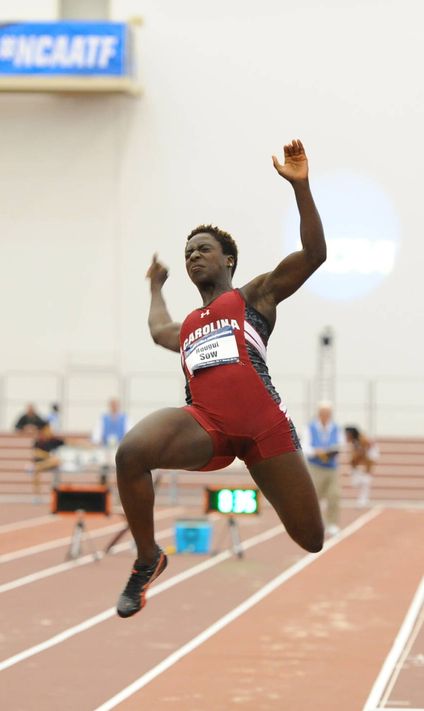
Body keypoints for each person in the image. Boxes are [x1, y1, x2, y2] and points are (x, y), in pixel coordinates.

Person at [113, 139, 327, 618]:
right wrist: (155, 286)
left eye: (203, 249)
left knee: (311, 538)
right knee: (130, 454)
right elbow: (158, 330)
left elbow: (315, 254)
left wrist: (301, 187)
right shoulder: (189, 325)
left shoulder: (254, 296)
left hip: (265, 429)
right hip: (206, 424)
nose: (193, 256)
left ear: (228, 259)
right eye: (188, 252)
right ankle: (148, 558)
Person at [306, 401, 342, 537]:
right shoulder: (310, 427)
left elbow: (341, 444)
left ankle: (332, 523)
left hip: (332, 467)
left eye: (328, 413)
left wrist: (332, 451)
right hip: (315, 467)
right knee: (315, 497)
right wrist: (317, 452)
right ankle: (314, 524)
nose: (326, 416)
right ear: (319, 413)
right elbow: (305, 447)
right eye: (324, 413)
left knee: (334, 495)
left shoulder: (336, 428)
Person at [345, 425, 378, 508]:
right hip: (362, 457)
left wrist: (366, 466)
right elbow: (354, 457)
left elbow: (368, 454)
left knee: (366, 480)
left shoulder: (363, 439)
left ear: (351, 434)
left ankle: (363, 500)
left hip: (370, 456)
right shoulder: (354, 441)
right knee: (357, 481)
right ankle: (362, 498)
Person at [31, 422, 65, 494]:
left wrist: (83, 445)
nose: (50, 431)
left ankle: (55, 489)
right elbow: (37, 452)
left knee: (57, 462)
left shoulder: (53, 440)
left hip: (50, 463)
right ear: (43, 430)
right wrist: (49, 456)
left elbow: (67, 442)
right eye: (48, 429)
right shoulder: (39, 441)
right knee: (37, 468)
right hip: (41, 462)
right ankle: (36, 494)